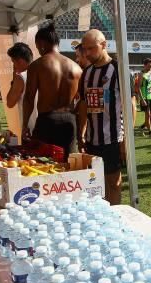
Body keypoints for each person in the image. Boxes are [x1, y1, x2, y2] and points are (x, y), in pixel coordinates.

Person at [23, 23, 82, 158]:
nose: (38, 50)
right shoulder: (77, 68)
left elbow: (29, 98)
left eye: (38, 47)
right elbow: (81, 99)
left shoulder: (37, 66)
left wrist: (25, 125)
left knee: (43, 165)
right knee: (69, 163)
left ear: (42, 43)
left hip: (47, 121)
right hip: (69, 121)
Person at [78, 29, 123, 204]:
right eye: (85, 49)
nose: (87, 53)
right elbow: (83, 103)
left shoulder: (117, 69)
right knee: (95, 182)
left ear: (104, 45)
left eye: (91, 48)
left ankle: (115, 215)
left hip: (113, 138)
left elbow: (130, 104)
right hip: (92, 139)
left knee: (114, 182)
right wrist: (81, 133)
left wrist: (126, 139)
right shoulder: (87, 72)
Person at [5, 42, 35, 134]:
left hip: (30, 127)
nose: (14, 66)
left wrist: (14, 77)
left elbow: (10, 103)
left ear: (20, 61)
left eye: (13, 62)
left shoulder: (21, 77)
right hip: (45, 125)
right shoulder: (41, 73)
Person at [138, 59, 151, 137]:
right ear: (144, 65)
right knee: (148, 115)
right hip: (145, 97)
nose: (150, 67)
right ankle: (150, 132)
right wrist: (142, 99)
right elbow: (138, 87)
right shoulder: (141, 74)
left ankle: (142, 127)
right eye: (149, 66)